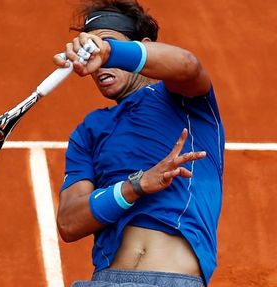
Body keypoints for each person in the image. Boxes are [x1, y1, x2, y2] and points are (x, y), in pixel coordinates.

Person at [53, 0, 225, 286]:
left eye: (106, 45)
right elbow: (70, 222)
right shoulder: (89, 131)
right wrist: (136, 186)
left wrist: (109, 52)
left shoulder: (184, 100)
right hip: (105, 280)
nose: (98, 64)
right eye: (91, 51)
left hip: (173, 280)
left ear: (141, 46)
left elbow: (188, 64)